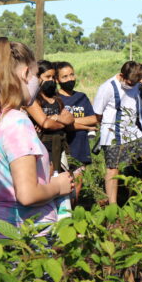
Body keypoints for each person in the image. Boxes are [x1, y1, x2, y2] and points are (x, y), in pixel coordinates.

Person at [0, 38, 74, 236]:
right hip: (27, 235)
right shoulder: (17, 122)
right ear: (25, 73)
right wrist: (58, 186)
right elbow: (27, 194)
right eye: (37, 74)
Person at [93, 61, 142, 204]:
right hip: (112, 134)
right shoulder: (107, 87)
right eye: (130, 82)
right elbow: (97, 114)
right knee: (113, 170)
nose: (132, 85)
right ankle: (112, 206)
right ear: (122, 75)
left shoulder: (136, 83)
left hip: (133, 132)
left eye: (134, 83)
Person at [56, 62, 98, 199]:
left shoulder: (82, 97)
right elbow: (60, 124)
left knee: (77, 187)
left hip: (80, 148)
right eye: (65, 77)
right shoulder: (56, 99)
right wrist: (86, 125)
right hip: (63, 149)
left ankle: (73, 216)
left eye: (72, 75)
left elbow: (93, 118)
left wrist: (70, 120)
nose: (70, 79)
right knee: (63, 187)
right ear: (57, 80)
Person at [26, 60, 74, 173]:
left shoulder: (56, 98)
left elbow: (70, 118)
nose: (51, 80)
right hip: (41, 147)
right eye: (47, 77)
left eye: (53, 77)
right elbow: (46, 124)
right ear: (37, 77)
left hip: (59, 147)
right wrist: (62, 122)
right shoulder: (33, 99)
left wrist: (56, 118)